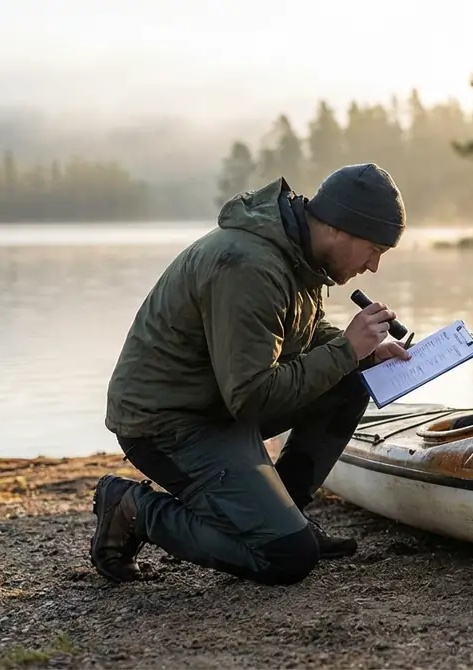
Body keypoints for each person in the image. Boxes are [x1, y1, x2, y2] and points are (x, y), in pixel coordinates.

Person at [89, 163, 412, 586]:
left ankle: (285, 512)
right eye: (374, 250)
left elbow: (298, 333)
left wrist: (364, 354)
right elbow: (252, 396)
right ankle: (132, 508)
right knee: (285, 556)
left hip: (217, 406)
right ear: (339, 229)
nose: (372, 267)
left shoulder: (299, 253)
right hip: (168, 423)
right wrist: (347, 349)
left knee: (350, 379)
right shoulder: (248, 266)